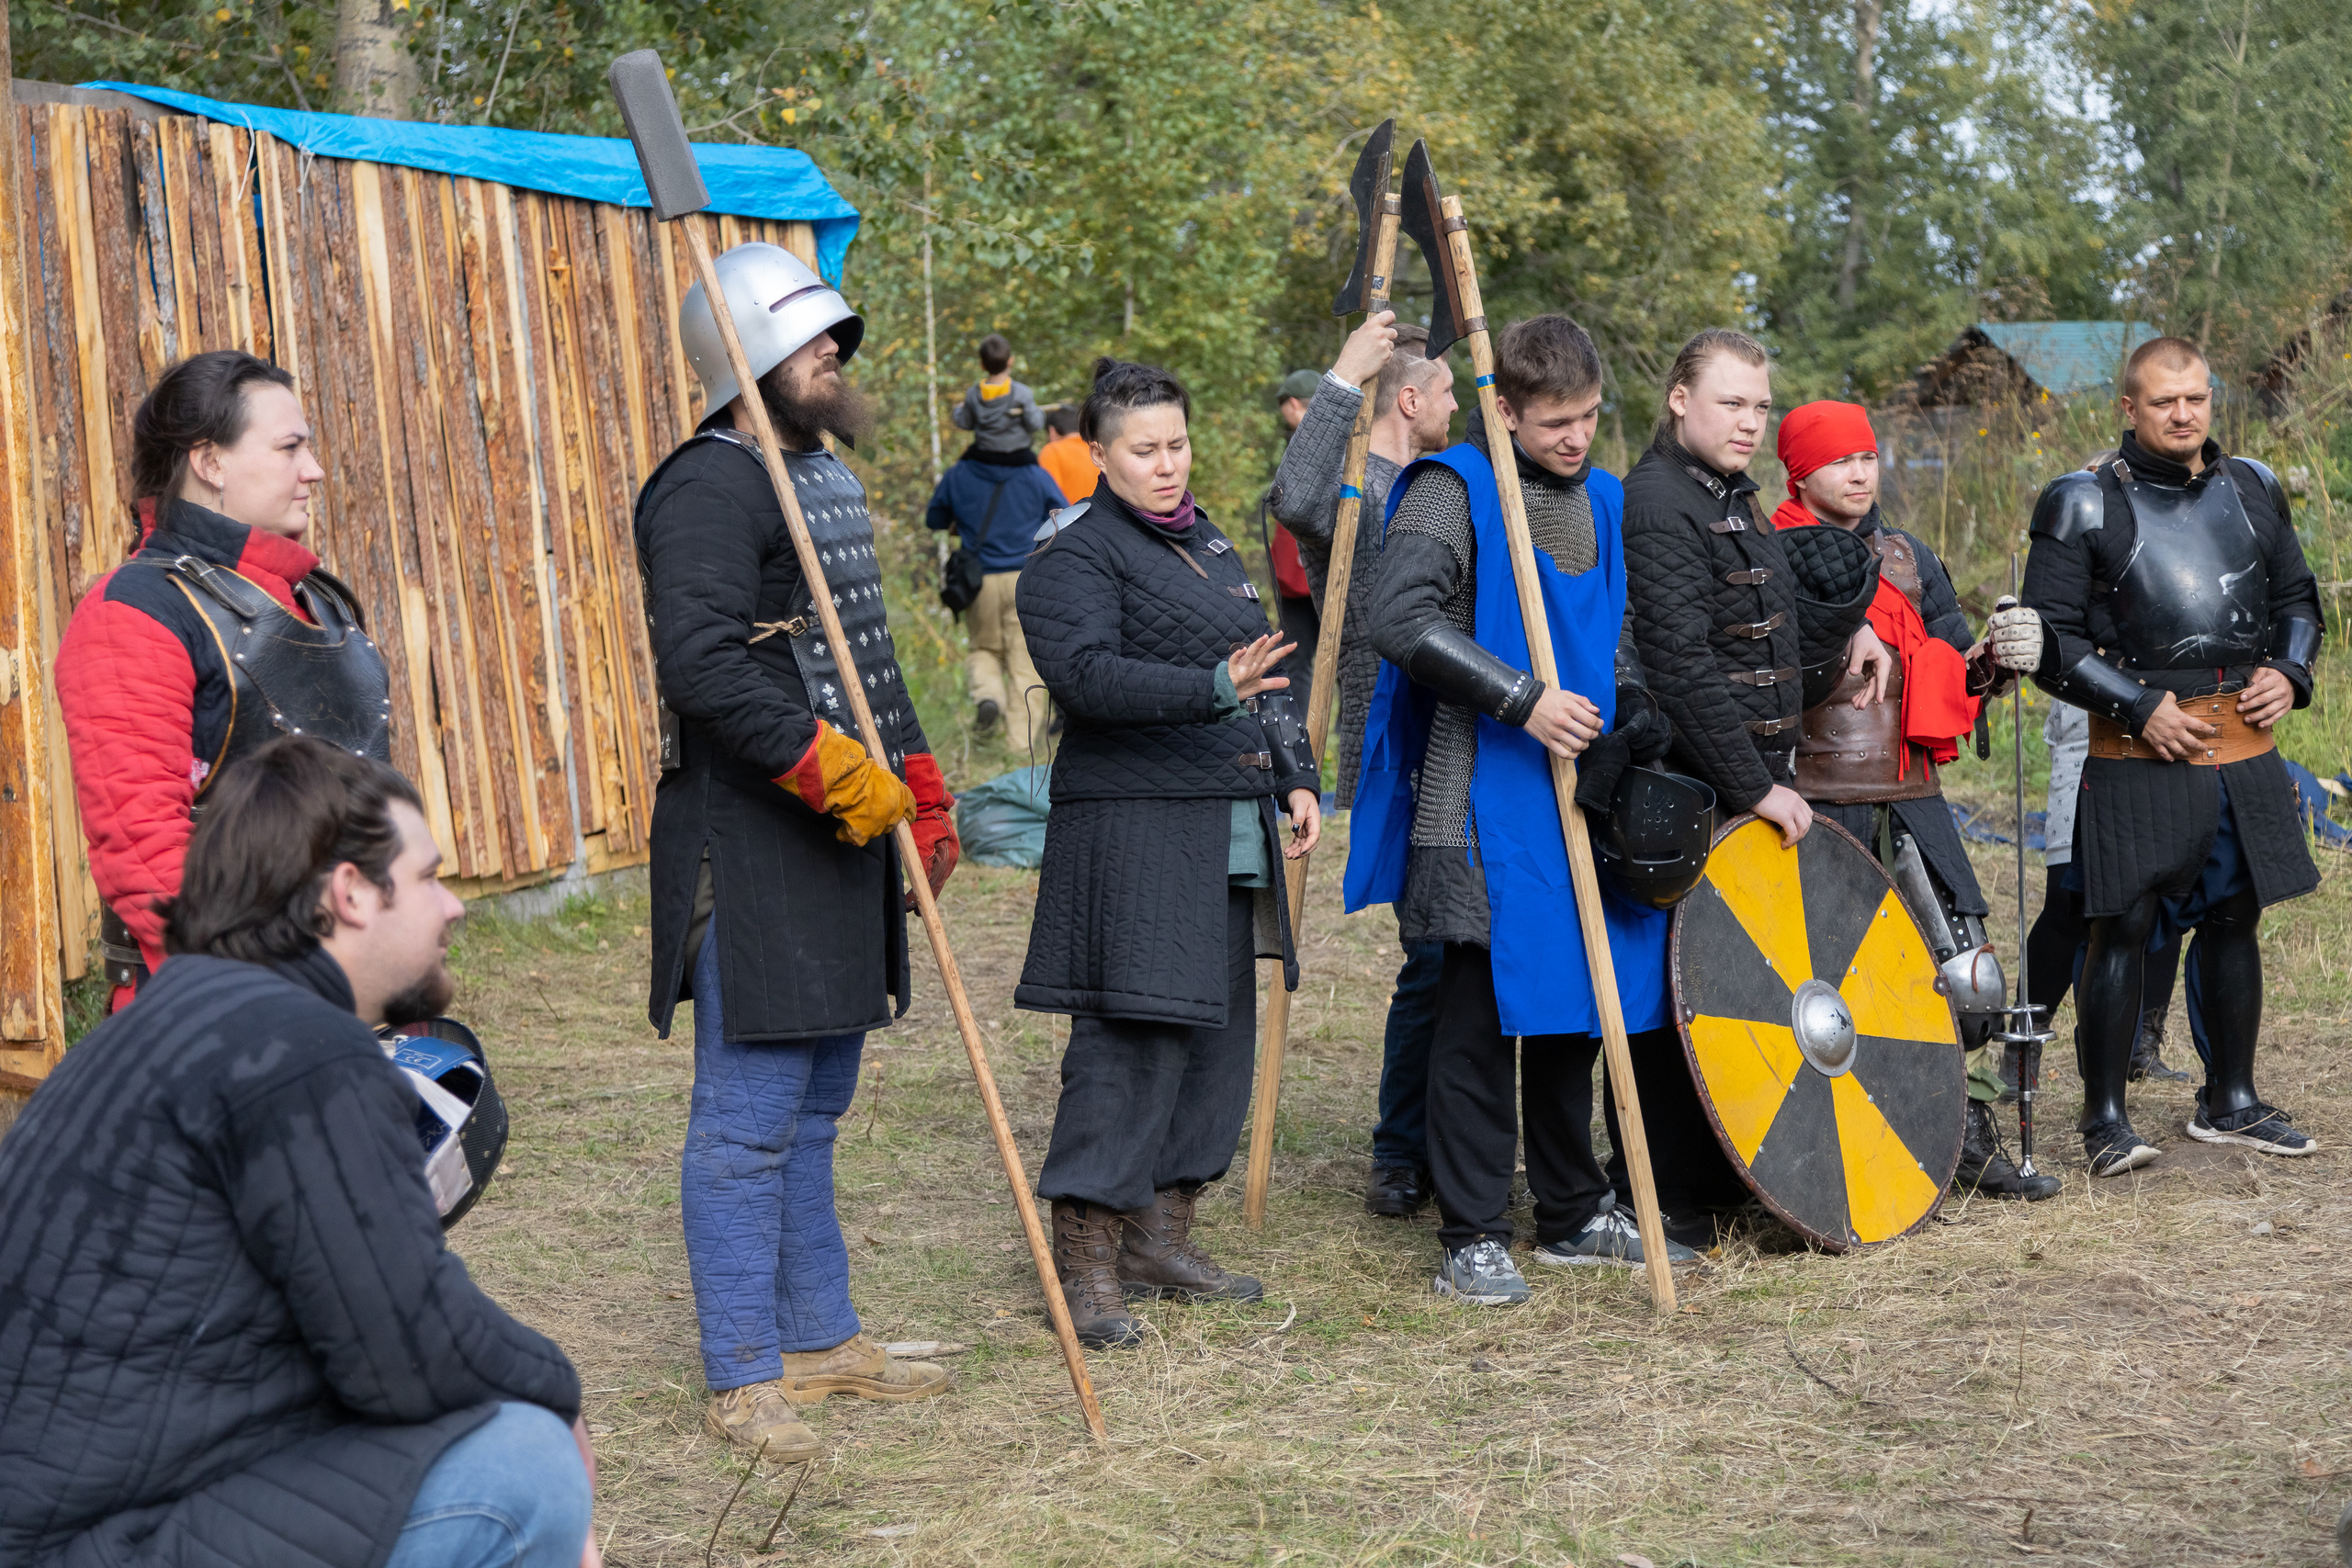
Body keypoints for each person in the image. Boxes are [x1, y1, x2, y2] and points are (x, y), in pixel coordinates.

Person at [0, 737, 597, 1568]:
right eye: (428, 877)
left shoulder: (165, 1023)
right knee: (525, 1465)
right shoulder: (300, 1049)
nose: (453, 905)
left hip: (82, 1507)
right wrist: (560, 1394)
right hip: (100, 1538)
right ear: (350, 892)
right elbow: (410, 1348)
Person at [635, 242, 957, 1456]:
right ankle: (742, 1367)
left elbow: (861, 659)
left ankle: (822, 1339)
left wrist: (917, 788)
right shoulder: (707, 486)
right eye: (815, 337)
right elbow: (707, 665)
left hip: (838, 828)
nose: (836, 350)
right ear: (749, 359)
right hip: (756, 830)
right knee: (746, 1112)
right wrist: (840, 775)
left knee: (818, 1101)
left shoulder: (816, 473)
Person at [1348, 314, 1701, 1306]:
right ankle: (1468, 1230)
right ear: (1503, 409)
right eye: (1553, 422)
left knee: (1572, 1005)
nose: (1575, 438)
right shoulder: (1451, 491)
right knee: (1471, 1013)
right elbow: (1397, 619)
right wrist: (1521, 700)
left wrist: (1629, 712)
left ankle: (1571, 1209)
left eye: (1588, 417)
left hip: (1576, 794)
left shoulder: (1603, 496)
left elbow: (1618, 639)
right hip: (1475, 789)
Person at [1014, 357, 1322, 1348]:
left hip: (1227, 826)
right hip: (1136, 833)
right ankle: (1087, 1261)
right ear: (1097, 455)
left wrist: (1295, 775)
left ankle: (1158, 1232)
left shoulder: (1214, 543)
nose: (1165, 465)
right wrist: (1207, 690)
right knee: (1129, 1043)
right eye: (1142, 450)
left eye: (1176, 445)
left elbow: (1260, 668)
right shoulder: (1074, 556)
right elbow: (1086, 678)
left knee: (1216, 1041)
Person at [1990, 334, 2323, 1174]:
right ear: (2129, 408)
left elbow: (2297, 600)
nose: (2184, 414)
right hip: (2138, 749)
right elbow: (2050, 638)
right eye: (2164, 401)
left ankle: (2232, 1100)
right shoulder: (2082, 501)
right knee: (2123, 926)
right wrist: (2139, 708)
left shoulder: (2252, 486)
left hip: (2242, 746)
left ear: (2212, 400)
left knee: (2233, 918)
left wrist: (2289, 671)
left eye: (2197, 398)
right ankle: (2105, 1119)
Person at [1770, 400, 2057, 1201]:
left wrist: (1998, 656)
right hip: (1816, 796)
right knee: (1826, 978)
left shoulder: (1908, 555)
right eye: (1838, 462)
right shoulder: (1770, 551)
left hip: (1910, 789)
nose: (1860, 473)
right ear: (1799, 471)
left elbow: (1954, 660)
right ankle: (1831, 1146)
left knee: (1966, 981)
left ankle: (1957, 1133)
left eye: (1867, 457)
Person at [55, 349, 390, 1008]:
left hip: (349, 985)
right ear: (210, 463)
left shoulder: (316, 600)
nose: (313, 471)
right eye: (290, 447)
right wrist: (259, 999)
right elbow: (145, 848)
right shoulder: (136, 612)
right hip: (216, 1007)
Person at [1267, 312, 1462, 1217]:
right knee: (1431, 948)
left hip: (1467, 725)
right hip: (1399, 732)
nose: (1458, 405)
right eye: (1447, 392)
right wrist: (1346, 372)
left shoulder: (1443, 482)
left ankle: (1454, 1138)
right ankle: (1399, 1149)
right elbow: (1295, 499)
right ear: (1412, 400)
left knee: (1462, 947)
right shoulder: (1356, 487)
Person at [2025, 703, 2195, 1090]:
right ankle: (2025, 1043)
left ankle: (2141, 1046)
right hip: (2090, 719)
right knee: (2068, 900)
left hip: (2172, 713)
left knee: (2164, 892)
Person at [924, 423, 1066, 751]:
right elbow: (1063, 514)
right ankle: (1019, 747)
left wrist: (962, 519)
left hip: (980, 581)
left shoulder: (959, 474)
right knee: (1025, 662)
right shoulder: (1035, 475)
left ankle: (989, 696)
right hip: (1027, 579)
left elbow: (934, 519)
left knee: (984, 649)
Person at [1263, 367, 1326, 718]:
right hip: (1319, 574)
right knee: (1341, 658)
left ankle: (1298, 729)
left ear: (1292, 405)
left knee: (1296, 657)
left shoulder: (1302, 444)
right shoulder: (1346, 438)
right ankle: (1327, 734)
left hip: (1304, 571)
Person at [951, 332, 1046, 455]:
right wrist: (1039, 413)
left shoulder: (973, 394)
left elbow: (965, 423)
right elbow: (1035, 425)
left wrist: (958, 411)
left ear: (982, 365)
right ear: (1011, 361)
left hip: (985, 455)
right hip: (1018, 457)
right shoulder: (1023, 393)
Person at [1040, 403, 1093, 503]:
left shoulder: (1053, 450)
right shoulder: (1097, 448)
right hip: (1105, 515)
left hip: (1070, 516)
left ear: (1052, 431)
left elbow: (1049, 493)